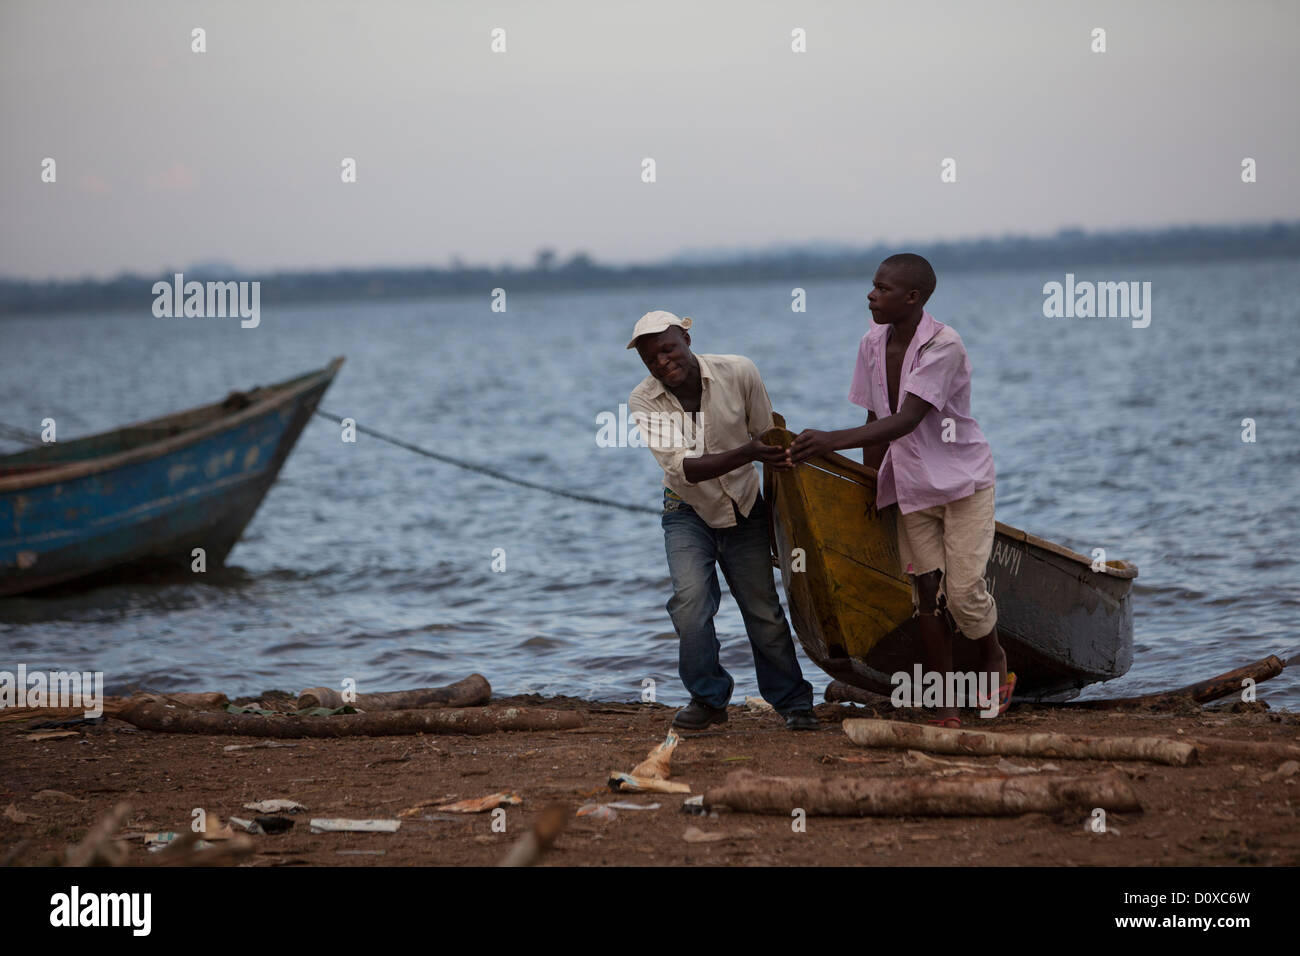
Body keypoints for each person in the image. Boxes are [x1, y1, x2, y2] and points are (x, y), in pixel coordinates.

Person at [790, 255, 1014, 725]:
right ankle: (948, 701)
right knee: (925, 596)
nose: (871, 295)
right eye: (873, 286)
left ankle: (994, 658)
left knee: (965, 593)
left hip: (963, 483)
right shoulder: (872, 343)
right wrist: (872, 482)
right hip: (911, 485)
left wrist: (831, 440)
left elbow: (908, 419)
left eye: (883, 289)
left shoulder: (943, 344)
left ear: (913, 298)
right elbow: (876, 417)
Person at [627, 310, 818, 732]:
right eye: (650, 359)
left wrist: (776, 520)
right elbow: (685, 469)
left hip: (747, 506)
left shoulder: (740, 372)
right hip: (686, 510)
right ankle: (709, 699)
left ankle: (793, 703)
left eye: (667, 349)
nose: (661, 363)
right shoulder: (643, 400)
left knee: (763, 611)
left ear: (687, 340)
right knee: (690, 605)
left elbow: (769, 441)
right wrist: (748, 452)